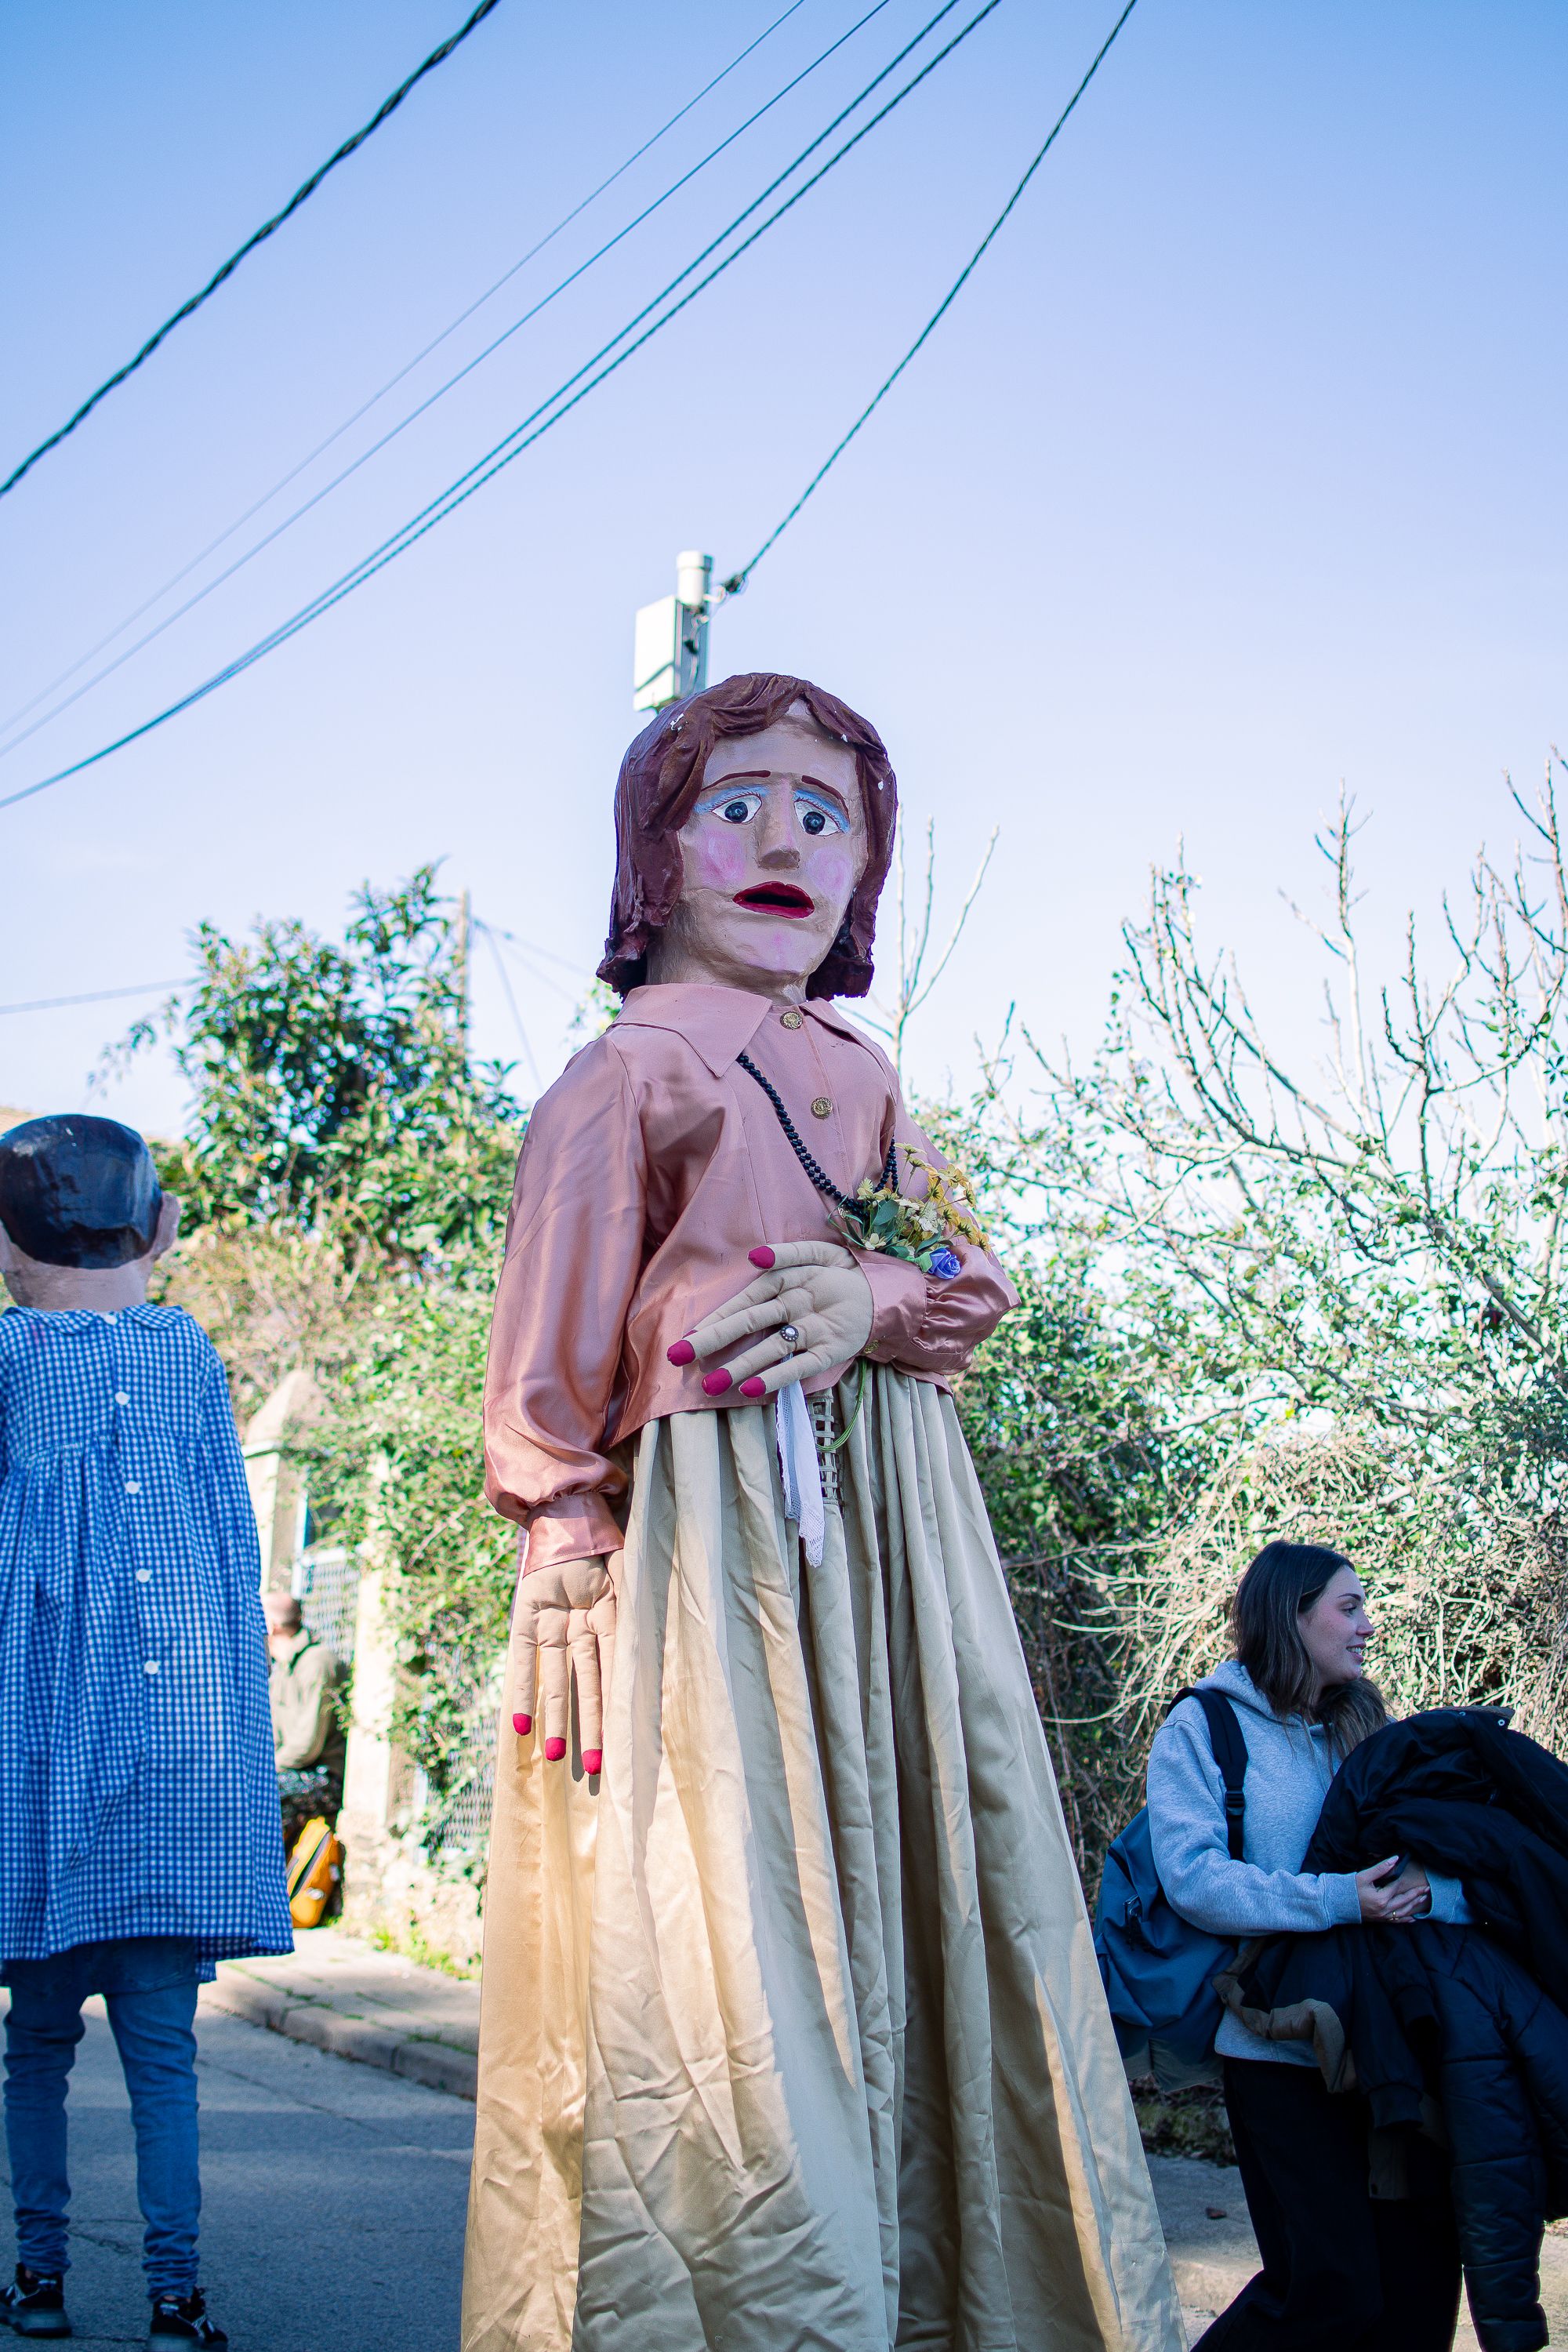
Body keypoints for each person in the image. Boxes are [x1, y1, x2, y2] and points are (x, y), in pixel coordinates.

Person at [463, 674, 1182, 2352]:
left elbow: (964, 1271)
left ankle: (939, 2290)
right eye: (737, 802)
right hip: (713, 1533)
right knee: (727, 1905)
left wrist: (872, 1292)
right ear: (655, 851)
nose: (785, 836)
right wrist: (566, 1543)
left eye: (828, 811)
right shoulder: (624, 1073)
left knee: (939, 1880)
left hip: (893, 1529)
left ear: (866, 870)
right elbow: (547, 1350)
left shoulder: (861, 1071)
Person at [0, 1115, 291, 2350]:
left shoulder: (10, 1363)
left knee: (37, 2051)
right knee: (165, 2061)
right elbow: (238, 1558)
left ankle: (43, 2284)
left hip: (46, 1767)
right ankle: (177, 2301)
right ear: (162, 1226)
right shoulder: (192, 1356)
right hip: (178, 1772)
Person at [1145, 1538, 1468, 2350]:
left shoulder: (1364, 1723)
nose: (1367, 1625)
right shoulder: (1205, 1725)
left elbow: (1429, 1859)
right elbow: (1194, 1880)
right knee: (1327, 2290)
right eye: (1347, 1606)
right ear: (1289, 1617)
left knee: (1417, 2294)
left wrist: (1435, 1892)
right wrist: (1337, 1900)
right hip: (1277, 2051)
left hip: (1392, 2046)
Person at [263, 1591, 346, 1856]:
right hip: (290, 1771)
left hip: (323, 1777)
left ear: (270, 1625)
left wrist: (263, 1773)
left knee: (257, 1797)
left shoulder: (317, 1663)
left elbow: (306, 1746)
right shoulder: (282, 1668)